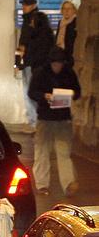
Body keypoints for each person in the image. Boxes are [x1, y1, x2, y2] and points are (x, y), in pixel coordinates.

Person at [28, 47, 81, 197]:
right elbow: (32, 92)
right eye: (55, 64)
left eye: (60, 64)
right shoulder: (40, 73)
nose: (58, 67)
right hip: (45, 117)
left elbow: (77, 91)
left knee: (64, 152)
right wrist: (45, 96)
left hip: (63, 118)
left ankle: (68, 184)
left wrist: (70, 94)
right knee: (42, 151)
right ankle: (42, 185)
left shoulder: (69, 73)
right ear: (50, 63)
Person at [16, 0, 54, 130]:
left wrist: (21, 63)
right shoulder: (27, 21)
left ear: (33, 6)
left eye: (26, 5)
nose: (23, 7)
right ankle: (34, 121)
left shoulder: (37, 19)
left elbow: (31, 44)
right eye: (23, 5)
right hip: (29, 63)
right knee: (29, 92)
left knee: (32, 92)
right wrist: (17, 63)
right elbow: (22, 44)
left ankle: (36, 121)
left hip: (34, 63)